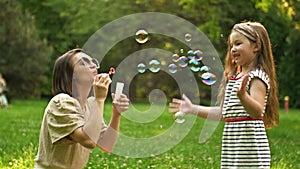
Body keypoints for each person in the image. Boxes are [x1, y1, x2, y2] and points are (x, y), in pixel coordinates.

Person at [169, 21, 279, 168]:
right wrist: (192, 108)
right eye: (231, 45)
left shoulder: (256, 77)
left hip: (250, 149)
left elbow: (257, 111)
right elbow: (224, 113)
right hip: (233, 148)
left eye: (238, 43)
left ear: (256, 46)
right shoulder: (234, 78)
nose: (233, 49)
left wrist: (243, 97)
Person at [34, 48, 129, 169]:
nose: (93, 65)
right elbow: (89, 141)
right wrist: (100, 99)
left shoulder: (90, 105)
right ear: (70, 75)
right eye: (83, 62)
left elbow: (107, 144)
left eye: (92, 61)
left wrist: (116, 114)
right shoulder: (61, 102)